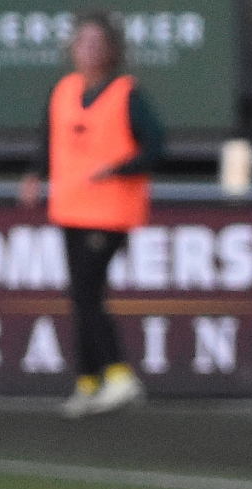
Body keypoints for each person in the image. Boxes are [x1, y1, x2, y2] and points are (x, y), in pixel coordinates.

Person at [17, 10, 163, 419]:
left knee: (86, 290)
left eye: (98, 43)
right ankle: (89, 380)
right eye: (83, 42)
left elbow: (156, 147)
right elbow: (48, 140)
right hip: (71, 208)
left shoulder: (126, 93)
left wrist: (117, 168)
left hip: (111, 211)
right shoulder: (63, 90)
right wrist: (34, 174)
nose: (90, 50)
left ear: (112, 50)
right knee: (80, 294)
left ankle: (117, 375)